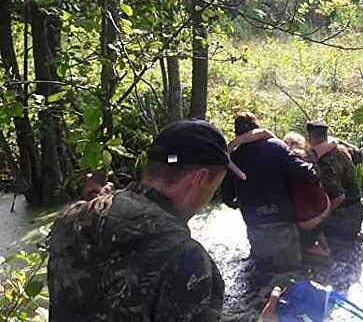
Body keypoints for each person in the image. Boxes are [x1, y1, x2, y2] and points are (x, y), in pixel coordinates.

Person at [47, 119, 258, 321]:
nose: (209, 197)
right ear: (199, 179)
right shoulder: (188, 259)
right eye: (215, 187)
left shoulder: (69, 220)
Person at [221, 113, 318, 272]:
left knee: (261, 275)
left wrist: (242, 201)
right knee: (289, 275)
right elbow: (306, 173)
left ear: (237, 133)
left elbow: (227, 197)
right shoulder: (276, 146)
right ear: (257, 127)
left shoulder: (234, 156)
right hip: (283, 221)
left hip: (255, 224)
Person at [306, 121, 363, 244]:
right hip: (357, 211)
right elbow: (358, 154)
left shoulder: (323, 163)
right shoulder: (343, 149)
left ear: (310, 137)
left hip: (344, 217)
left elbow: (339, 197)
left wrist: (320, 219)